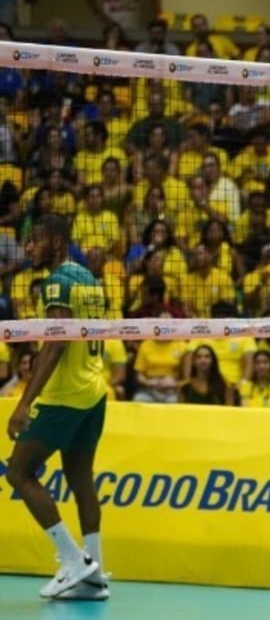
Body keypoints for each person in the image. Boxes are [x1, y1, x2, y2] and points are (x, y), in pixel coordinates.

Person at [5, 214, 111, 600]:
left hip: (64, 396)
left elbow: (56, 342)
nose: (29, 247)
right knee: (81, 478)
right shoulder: (91, 280)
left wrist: (24, 403)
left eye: (36, 240)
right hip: (95, 389)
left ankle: (74, 561)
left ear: (57, 242)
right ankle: (96, 575)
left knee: (18, 473)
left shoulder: (56, 284)